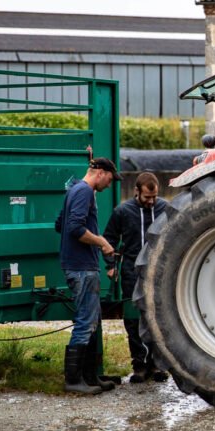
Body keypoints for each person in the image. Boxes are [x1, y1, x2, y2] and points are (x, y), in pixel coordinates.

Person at [55, 156, 120, 395]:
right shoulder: (83, 192)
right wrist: (101, 242)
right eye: (110, 180)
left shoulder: (75, 190)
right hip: (81, 267)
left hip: (80, 264)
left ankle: (90, 377)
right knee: (85, 322)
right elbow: (74, 228)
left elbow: (59, 224)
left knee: (92, 321)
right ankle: (73, 381)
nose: (109, 185)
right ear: (100, 173)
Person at [103, 171, 169, 383]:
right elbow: (109, 239)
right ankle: (139, 365)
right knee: (133, 319)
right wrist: (110, 265)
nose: (151, 201)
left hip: (159, 272)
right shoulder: (123, 211)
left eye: (154, 196)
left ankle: (157, 364)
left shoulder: (165, 208)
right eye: (147, 197)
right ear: (137, 191)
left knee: (158, 317)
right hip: (131, 271)